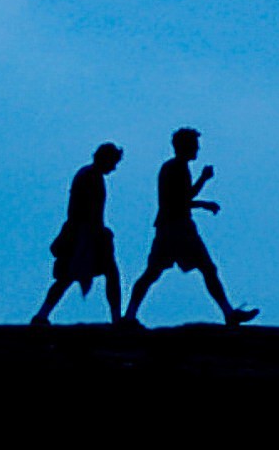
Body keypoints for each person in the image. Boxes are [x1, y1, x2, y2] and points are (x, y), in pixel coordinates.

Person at [122, 128, 257, 327]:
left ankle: (130, 315)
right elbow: (179, 200)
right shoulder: (177, 168)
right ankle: (229, 314)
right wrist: (203, 187)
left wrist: (201, 197)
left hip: (170, 227)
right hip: (178, 228)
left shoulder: (174, 167)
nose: (198, 149)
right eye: (194, 145)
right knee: (205, 268)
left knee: (154, 272)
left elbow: (180, 198)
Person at [32, 142, 125, 326]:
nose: (114, 167)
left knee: (70, 277)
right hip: (84, 235)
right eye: (113, 162)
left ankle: (42, 315)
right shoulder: (90, 177)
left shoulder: (89, 175)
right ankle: (116, 319)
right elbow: (84, 210)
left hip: (85, 233)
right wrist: (95, 232)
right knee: (79, 275)